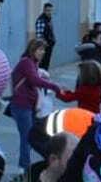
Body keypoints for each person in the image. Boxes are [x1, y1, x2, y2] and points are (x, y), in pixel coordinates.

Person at [10, 39, 62, 170]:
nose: (43, 52)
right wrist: (55, 86)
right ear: (32, 49)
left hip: (29, 105)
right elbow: (34, 80)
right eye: (40, 49)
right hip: (22, 106)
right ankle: (24, 167)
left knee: (33, 136)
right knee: (27, 137)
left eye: (43, 49)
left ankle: (37, 162)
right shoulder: (26, 62)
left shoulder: (33, 63)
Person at [34, 2, 56, 70]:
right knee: (42, 66)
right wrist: (42, 48)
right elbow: (39, 36)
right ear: (44, 10)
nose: (49, 12)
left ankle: (44, 78)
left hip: (48, 47)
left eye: (51, 10)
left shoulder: (48, 20)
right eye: (48, 10)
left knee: (46, 65)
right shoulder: (41, 20)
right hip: (44, 48)